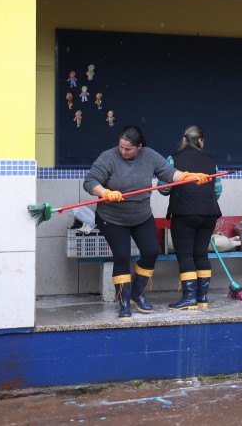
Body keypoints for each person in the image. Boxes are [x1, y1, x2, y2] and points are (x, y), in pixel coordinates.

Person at [83, 125, 210, 318]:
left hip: (140, 215)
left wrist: (187, 177)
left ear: (139, 146)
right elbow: (90, 182)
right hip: (112, 218)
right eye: (121, 147)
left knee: (151, 251)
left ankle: (137, 293)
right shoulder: (108, 157)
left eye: (128, 149)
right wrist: (105, 192)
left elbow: (168, 173)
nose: (123, 151)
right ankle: (124, 303)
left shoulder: (149, 156)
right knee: (122, 256)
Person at [163, 125, 223, 310]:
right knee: (201, 254)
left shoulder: (173, 159)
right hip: (208, 214)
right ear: (200, 141)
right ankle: (202, 298)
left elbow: (164, 188)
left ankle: (189, 298)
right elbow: (218, 191)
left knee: (186, 255)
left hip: (184, 214)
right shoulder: (211, 161)